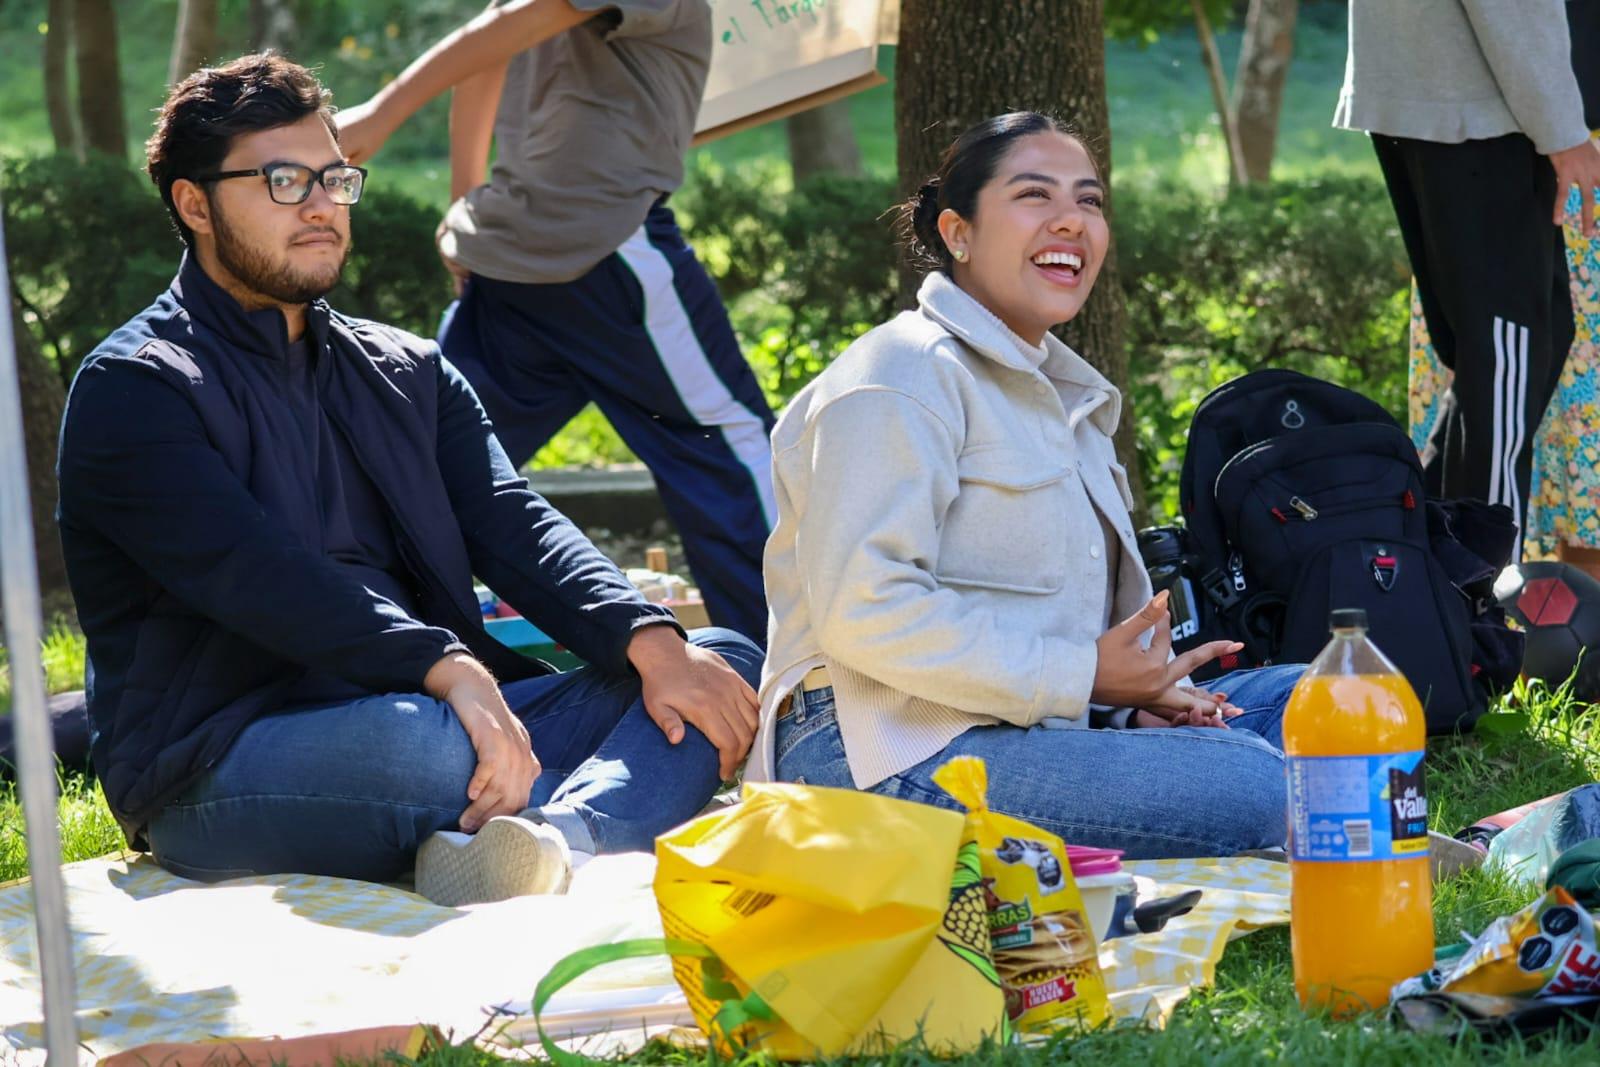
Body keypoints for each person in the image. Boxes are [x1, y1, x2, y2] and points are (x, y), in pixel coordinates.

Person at [55, 55, 762, 906]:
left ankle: (553, 840)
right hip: (219, 756)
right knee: (426, 749)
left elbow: (515, 522)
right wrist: (451, 669)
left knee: (715, 665)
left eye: (333, 178)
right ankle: (612, 807)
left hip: (437, 702)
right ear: (195, 203)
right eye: (283, 181)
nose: (321, 205)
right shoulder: (137, 386)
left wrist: (652, 643)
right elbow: (262, 579)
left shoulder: (407, 370)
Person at [746, 113, 1298, 859]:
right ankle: (1308, 814)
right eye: (1034, 196)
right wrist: (1086, 676)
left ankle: (1276, 796)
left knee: (1328, 700)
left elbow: (1047, 630)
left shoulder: (1065, 400)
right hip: (877, 753)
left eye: (1091, 201)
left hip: (1024, 734)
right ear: (958, 232)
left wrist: (1127, 712)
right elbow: (865, 610)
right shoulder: (897, 377)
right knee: (1260, 785)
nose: (1072, 219)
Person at [334, 0, 775, 642]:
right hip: (604, 251)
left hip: (519, 254)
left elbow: (492, 45)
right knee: (727, 451)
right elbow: (508, 31)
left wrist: (463, 202)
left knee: (424, 466)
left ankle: (366, 640)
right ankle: (801, 678)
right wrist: (388, 118)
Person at [1335, 0, 1600, 560]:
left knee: (1513, 350)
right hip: (1477, 108)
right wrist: (1561, 127)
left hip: (1435, 96)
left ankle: (1425, 563)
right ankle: (1478, 596)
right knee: (1506, 362)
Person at [1413, 2, 1600, 577]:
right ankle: (1480, 618)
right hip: (1488, 113)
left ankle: (1438, 591)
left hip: (1489, 109)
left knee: (1503, 365)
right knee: (1503, 370)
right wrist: (1561, 128)